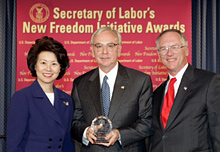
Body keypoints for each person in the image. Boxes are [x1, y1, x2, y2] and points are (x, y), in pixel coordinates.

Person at [71, 27, 153, 152]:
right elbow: (74, 122)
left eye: (110, 46)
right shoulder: (80, 83)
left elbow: (147, 123)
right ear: (92, 51)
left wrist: (120, 135)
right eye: (99, 46)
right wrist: (85, 132)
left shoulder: (140, 81)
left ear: (119, 49)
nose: (104, 52)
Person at [150, 29, 220, 152]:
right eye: (164, 48)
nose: (169, 53)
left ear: (186, 50)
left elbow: (218, 130)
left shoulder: (209, 82)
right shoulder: (157, 93)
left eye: (175, 47)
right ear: (158, 54)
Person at [6, 36, 75, 152]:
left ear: (60, 68)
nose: (48, 69)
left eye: (54, 64)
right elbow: (13, 145)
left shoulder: (66, 100)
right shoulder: (22, 98)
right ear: (34, 65)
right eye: (43, 63)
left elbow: (67, 142)